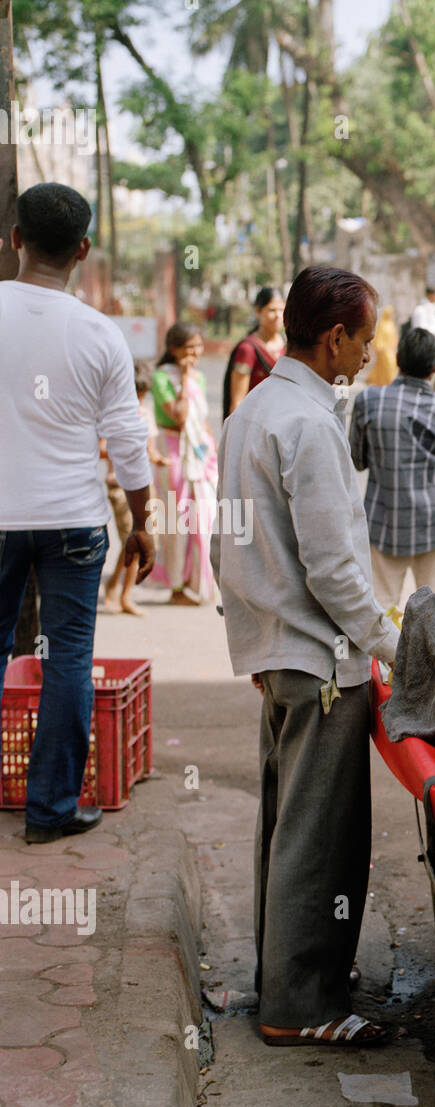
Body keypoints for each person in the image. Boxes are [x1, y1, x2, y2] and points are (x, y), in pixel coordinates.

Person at [213, 265, 400, 1047]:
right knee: (319, 839)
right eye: (365, 336)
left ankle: (291, 976)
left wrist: (253, 638)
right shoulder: (312, 425)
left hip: (279, 649)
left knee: (289, 829)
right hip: (321, 661)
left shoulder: (255, 411)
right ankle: (300, 1007)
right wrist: (395, 645)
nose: (369, 349)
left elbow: (232, 544)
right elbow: (333, 570)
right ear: (334, 338)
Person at [0, 182, 155, 843]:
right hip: (72, 520)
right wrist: (142, 521)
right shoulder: (99, 332)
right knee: (68, 657)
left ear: (15, 239)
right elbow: (127, 442)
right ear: (82, 250)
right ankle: (51, 810)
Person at [349, 326, 435, 610]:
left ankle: (385, 658)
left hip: (383, 521)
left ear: (397, 359)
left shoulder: (368, 400)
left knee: (380, 611)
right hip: (434, 522)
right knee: (434, 612)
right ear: (434, 367)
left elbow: (357, 461)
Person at [151, 322, 219, 604]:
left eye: (198, 347)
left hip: (199, 454)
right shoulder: (162, 378)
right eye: (189, 348)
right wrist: (184, 377)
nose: (195, 353)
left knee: (203, 520)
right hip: (173, 452)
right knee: (175, 522)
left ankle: (198, 582)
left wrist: (212, 450)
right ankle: (176, 587)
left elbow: (201, 420)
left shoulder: (199, 378)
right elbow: (179, 416)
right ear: (174, 350)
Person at [103, 360, 165, 615]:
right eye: (134, 394)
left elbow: (150, 449)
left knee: (138, 539)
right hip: (118, 486)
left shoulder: (146, 413)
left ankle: (117, 589)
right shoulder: (111, 412)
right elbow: (99, 447)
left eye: (142, 395)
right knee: (135, 538)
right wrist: (125, 446)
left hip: (143, 486)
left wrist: (157, 457)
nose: (138, 399)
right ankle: (123, 594)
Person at [223, 286, 285, 417]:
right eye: (272, 310)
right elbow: (238, 401)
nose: (278, 315)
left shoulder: (288, 345)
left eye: (281, 310)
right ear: (257, 311)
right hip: (256, 423)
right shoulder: (247, 349)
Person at [366, 304, 399, 386]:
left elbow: (394, 337)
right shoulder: (382, 324)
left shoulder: (391, 324)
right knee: (387, 366)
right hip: (383, 350)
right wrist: (380, 348)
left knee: (390, 366)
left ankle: (388, 382)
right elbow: (378, 337)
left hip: (390, 350)